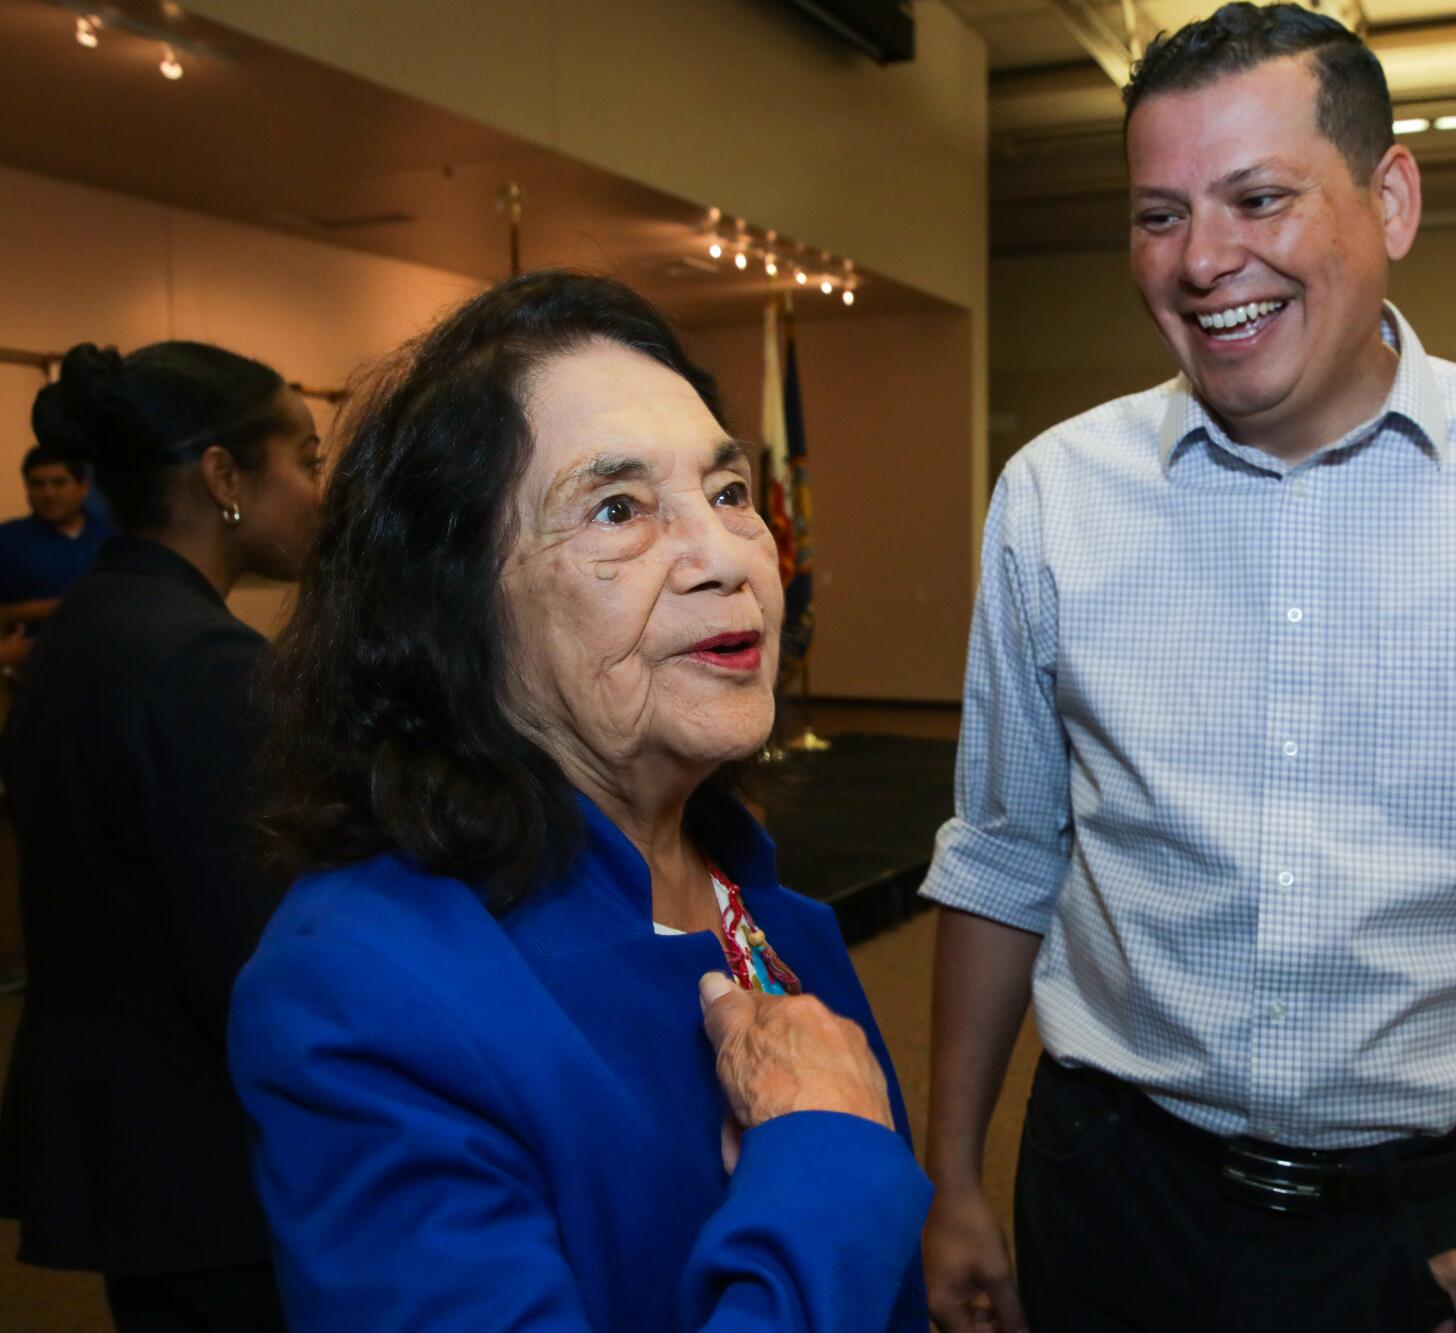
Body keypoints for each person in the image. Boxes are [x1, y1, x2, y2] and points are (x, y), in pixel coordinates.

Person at [919, 7, 1456, 1332]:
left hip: (1425, 1228)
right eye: (1159, 214)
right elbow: (1005, 853)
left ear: (1392, 198)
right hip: (1112, 1192)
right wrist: (949, 1175)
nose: (1203, 260)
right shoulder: (1054, 497)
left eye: (1258, 198)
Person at [229, 270, 930, 1332]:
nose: (724, 557)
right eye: (618, 508)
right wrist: (829, 1167)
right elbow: (842, 1203)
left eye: (729, 492)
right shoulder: (363, 991)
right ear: (456, 607)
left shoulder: (769, 910)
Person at [0, 340, 323, 1331]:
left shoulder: (95, 620)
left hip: (125, 1135)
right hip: (203, 1151)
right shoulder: (202, 661)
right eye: (303, 460)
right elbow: (248, 952)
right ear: (225, 476)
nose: (319, 491)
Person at [0, 447, 118, 668]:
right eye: (37, 484)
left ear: (83, 486)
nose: (48, 493)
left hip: (112, 660)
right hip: (39, 667)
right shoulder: (7, 540)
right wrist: (57, 607)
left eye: (59, 482)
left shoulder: (113, 535)